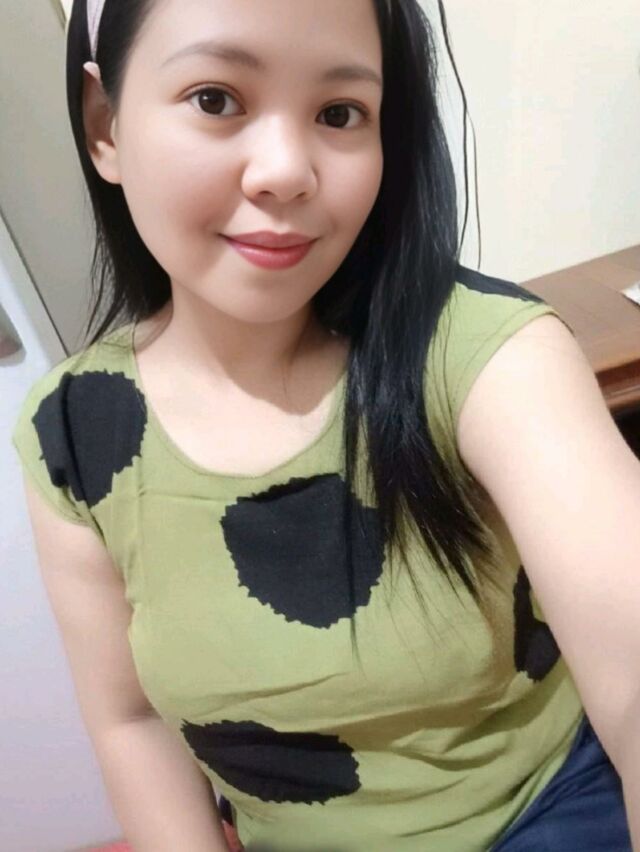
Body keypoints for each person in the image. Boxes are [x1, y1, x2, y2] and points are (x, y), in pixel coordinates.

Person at [11, 0, 640, 850]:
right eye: (215, 98)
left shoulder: (485, 356)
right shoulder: (74, 434)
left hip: (546, 816)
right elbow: (132, 722)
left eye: (340, 113)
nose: (286, 172)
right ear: (105, 126)